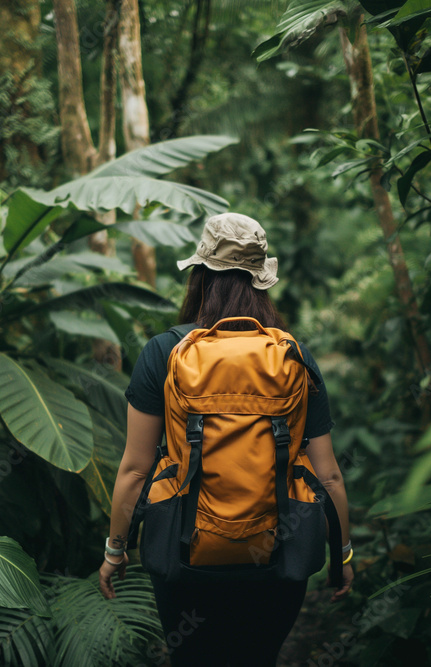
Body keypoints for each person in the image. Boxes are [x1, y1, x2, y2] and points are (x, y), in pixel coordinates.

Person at [98, 212, 353, 666]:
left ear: (200, 275)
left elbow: (136, 470)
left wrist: (115, 550)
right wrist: (343, 555)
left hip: (184, 552)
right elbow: (328, 475)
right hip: (279, 553)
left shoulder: (164, 352)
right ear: (261, 281)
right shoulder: (294, 357)